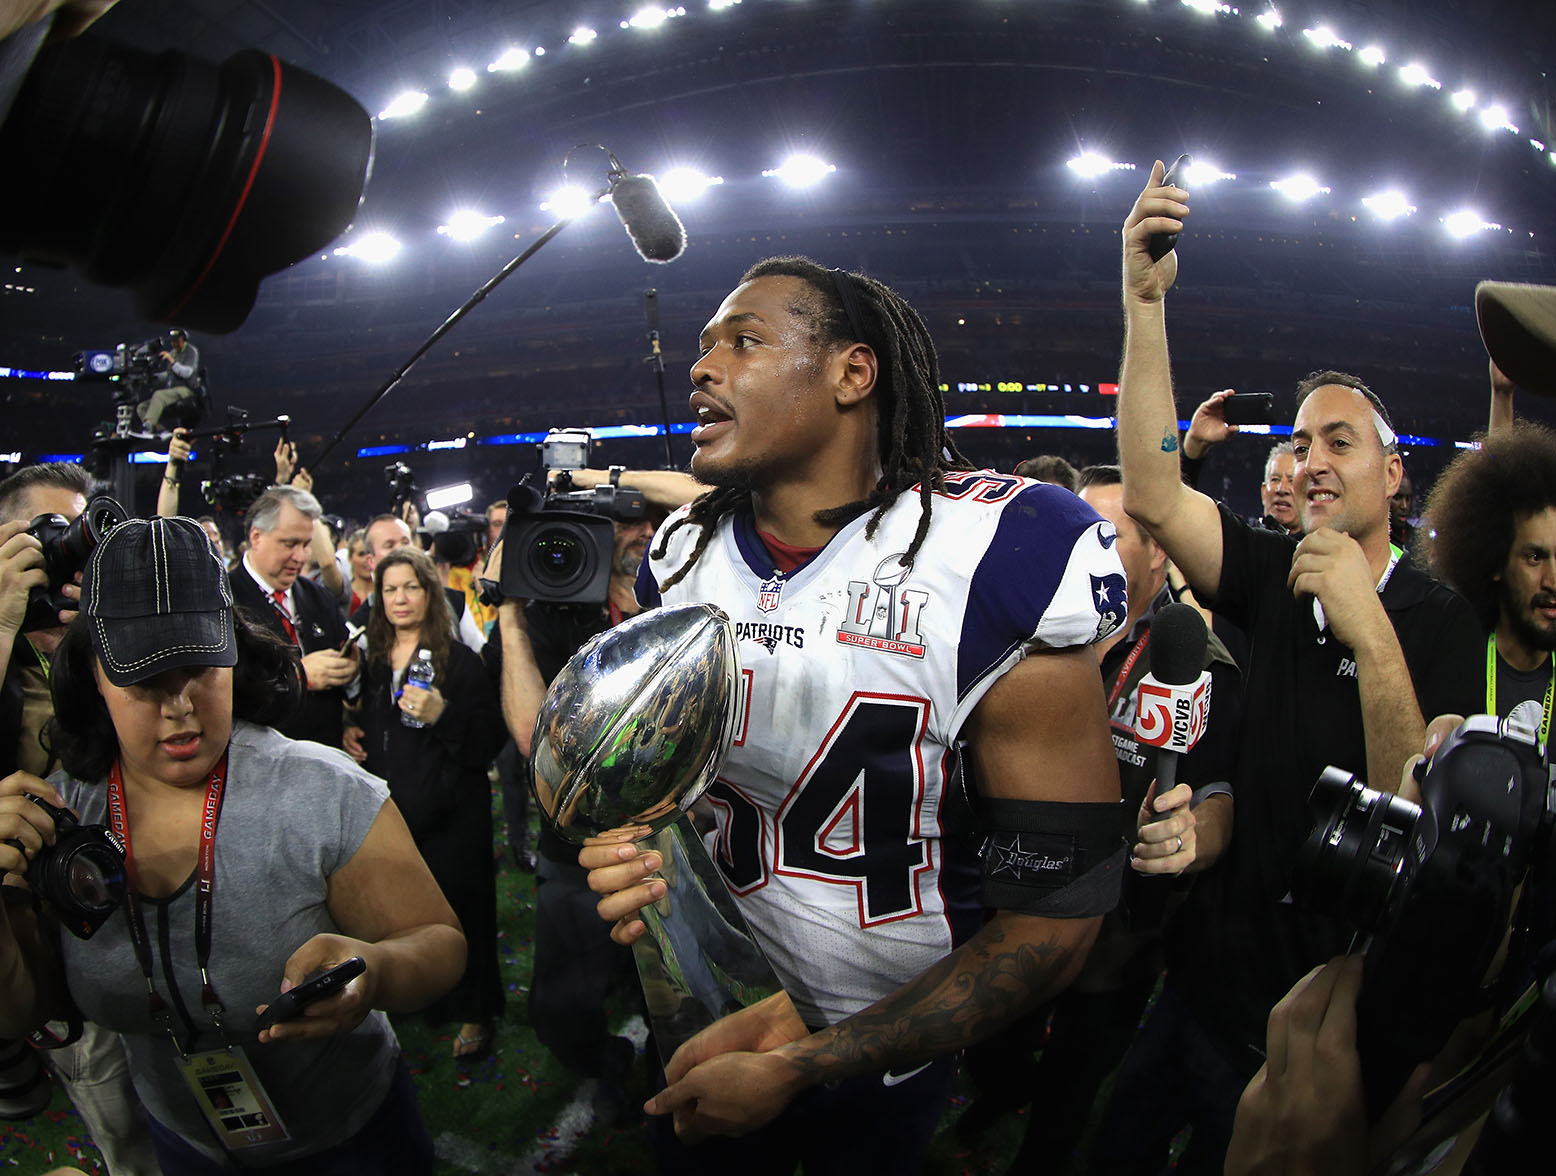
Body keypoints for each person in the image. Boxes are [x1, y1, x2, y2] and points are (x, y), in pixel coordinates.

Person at [579, 256, 1129, 1172]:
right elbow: (662, 778)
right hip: (710, 996)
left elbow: (1058, 922)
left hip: (885, 1050)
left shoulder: (999, 551)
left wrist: (808, 1059)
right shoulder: (679, 553)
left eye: (743, 341)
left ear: (853, 373)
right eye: (703, 346)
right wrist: (634, 843)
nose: (703, 367)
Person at [1101, 161, 1482, 1172]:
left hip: (1303, 1027)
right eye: (1299, 438)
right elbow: (1149, 491)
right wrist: (1143, 302)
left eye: (1338, 441)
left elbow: (1418, 821)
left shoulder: (1441, 622)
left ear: (1392, 475)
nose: (1309, 458)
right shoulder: (1270, 572)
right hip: (1195, 982)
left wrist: (1368, 633)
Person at [0, 515, 466, 1173]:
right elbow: (20, 1009)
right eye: (144, 679)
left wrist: (375, 970)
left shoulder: (321, 790)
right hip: (185, 1141)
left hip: (350, 1138)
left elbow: (442, 947)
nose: (180, 706)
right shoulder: (56, 814)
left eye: (200, 669)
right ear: (94, 675)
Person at [486, 472, 699, 1109]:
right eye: (620, 521)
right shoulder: (556, 609)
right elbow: (529, 735)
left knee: (679, 1000)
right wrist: (510, 614)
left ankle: (666, 1082)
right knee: (561, 1007)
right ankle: (610, 1063)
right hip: (577, 847)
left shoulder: (694, 594)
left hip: (679, 846)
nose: (638, 531)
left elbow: (711, 495)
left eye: (647, 517)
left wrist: (596, 478)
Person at [0, 462, 160, 1174]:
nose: (67, 555)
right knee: (124, 1123)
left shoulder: (100, 642)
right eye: (47, 536)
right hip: (51, 945)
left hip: (152, 913)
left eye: (78, 536)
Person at [345, 546, 505, 1060]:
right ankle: (426, 998)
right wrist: (348, 729)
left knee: (464, 916)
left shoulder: (458, 660)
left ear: (429, 593)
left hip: (455, 820)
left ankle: (478, 1012)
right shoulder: (368, 662)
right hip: (393, 820)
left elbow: (489, 741)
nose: (399, 599)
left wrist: (443, 713)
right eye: (389, 589)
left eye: (410, 587)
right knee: (405, 917)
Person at [229, 486, 356, 750]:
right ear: (256, 537)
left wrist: (352, 667)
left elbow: (344, 678)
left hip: (325, 756)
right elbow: (227, 690)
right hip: (259, 762)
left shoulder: (319, 597)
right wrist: (298, 677)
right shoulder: (223, 600)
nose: (300, 557)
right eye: (290, 544)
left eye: (306, 544)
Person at [134, 328, 202, 435]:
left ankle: (148, 425)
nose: (174, 344)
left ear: (183, 339)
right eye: (172, 341)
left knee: (159, 395)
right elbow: (168, 374)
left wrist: (172, 360)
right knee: (142, 407)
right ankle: (160, 430)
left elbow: (187, 373)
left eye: (177, 340)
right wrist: (153, 377)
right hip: (172, 391)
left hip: (186, 390)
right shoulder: (173, 353)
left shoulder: (190, 351)